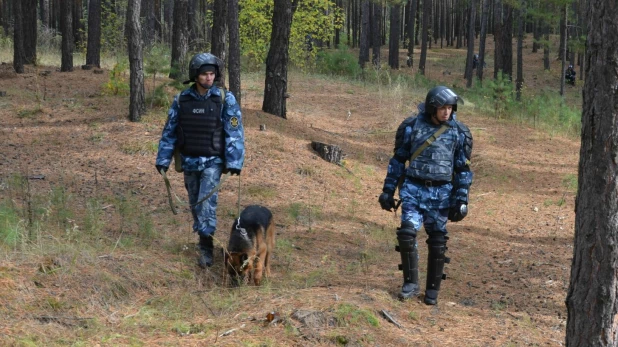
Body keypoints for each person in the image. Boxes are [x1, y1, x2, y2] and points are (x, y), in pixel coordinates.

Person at [378, 86, 473, 305]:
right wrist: (388, 190)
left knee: (438, 239)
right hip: (413, 188)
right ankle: (410, 284)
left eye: (450, 108)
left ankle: (433, 290)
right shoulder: (411, 127)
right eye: (442, 108)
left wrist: (461, 199)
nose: (446, 112)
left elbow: (463, 170)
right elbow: (398, 161)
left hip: (442, 193)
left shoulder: (459, 132)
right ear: (432, 107)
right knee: (407, 234)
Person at [155, 53, 245, 268]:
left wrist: (234, 161)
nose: (209, 77)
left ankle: (207, 249)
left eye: (212, 73)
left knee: (206, 205)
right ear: (196, 75)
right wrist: (163, 159)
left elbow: (234, 132)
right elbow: (170, 132)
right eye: (205, 73)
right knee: (195, 204)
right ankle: (203, 239)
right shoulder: (182, 99)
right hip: (189, 161)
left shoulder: (225, 99)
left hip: (212, 163)